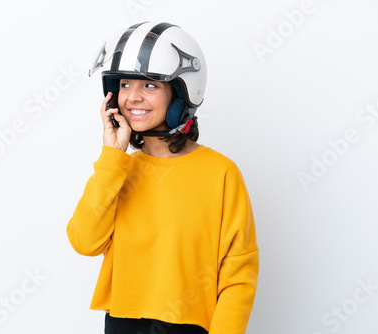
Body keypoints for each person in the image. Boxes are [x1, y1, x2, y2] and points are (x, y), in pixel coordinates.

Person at [67, 22, 259, 334]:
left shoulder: (221, 173)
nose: (133, 97)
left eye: (150, 86)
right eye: (125, 85)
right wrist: (111, 155)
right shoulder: (117, 169)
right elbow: (84, 241)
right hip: (122, 324)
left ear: (182, 94)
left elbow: (239, 271)